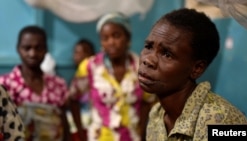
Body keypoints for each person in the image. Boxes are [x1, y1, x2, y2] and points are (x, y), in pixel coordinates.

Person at [137, 8, 247, 141]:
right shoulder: (156, 114)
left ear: (197, 68)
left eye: (167, 54)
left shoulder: (222, 121)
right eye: (149, 46)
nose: (148, 60)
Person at [69, 12, 155, 141]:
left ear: (127, 37)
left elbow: (147, 102)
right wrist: (81, 135)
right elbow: (72, 99)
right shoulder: (90, 67)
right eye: (105, 38)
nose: (111, 42)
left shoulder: (141, 67)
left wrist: (142, 133)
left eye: (116, 36)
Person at [0, 25, 70, 141]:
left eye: (38, 48)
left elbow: (64, 123)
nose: (32, 54)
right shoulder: (6, 84)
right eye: (27, 48)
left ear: (46, 49)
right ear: (18, 49)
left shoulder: (58, 84)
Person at [68, 38, 95, 140]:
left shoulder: (98, 77)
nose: (76, 56)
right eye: (75, 52)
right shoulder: (75, 80)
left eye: (80, 52)